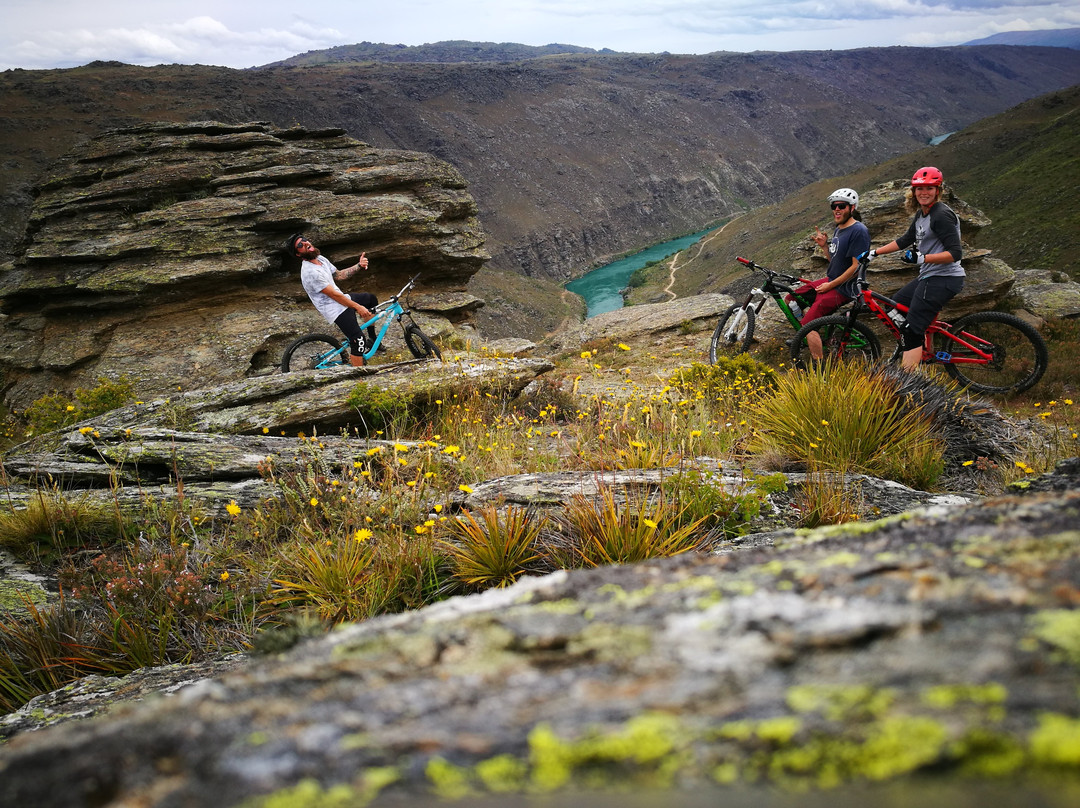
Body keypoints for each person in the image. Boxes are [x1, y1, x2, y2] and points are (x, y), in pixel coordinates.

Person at [862, 167, 966, 372]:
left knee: (910, 330)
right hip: (929, 275)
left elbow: (955, 253)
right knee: (894, 307)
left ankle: (909, 382)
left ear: (938, 190)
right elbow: (905, 240)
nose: (923, 193)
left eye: (929, 188)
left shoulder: (941, 215)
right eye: (919, 188)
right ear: (913, 191)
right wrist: (874, 253)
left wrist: (922, 258)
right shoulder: (922, 214)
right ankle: (920, 345)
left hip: (943, 278)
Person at [793, 187, 871, 359]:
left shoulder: (859, 231)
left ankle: (821, 369)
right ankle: (810, 336)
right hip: (832, 281)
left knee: (808, 325)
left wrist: (830, 285)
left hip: (845, 288)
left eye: (842, 206)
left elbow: (855, 268)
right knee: (792, 298)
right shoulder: (839, 229)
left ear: (852, 208)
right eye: (834, 206)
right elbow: (835, 261)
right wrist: (824, 247)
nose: (837, 209)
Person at [286, 234, 380, 366]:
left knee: (371, 299)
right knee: (358, 341)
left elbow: (339, 275)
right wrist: (358, 307)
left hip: (342, 299)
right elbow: (335, 296)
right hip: (335, 309)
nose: (306, 243)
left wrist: (359, 265)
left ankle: (373, 339)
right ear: (298, 254)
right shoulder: (310, 272)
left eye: (305, 240)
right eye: (300, 245)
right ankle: (359, 379)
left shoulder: (319, 258)